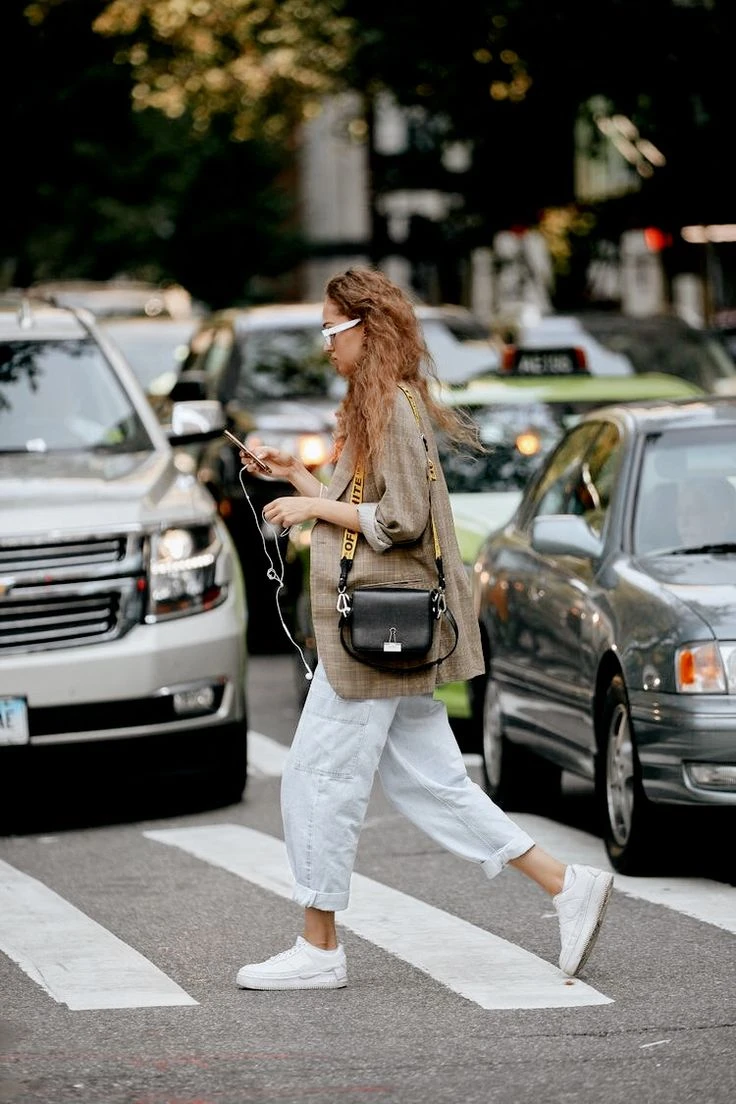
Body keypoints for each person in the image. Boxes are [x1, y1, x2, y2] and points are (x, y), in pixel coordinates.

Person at [236, 267, 613, 991]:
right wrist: (299, 482)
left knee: (315, 780)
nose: (325, 345)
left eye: (331, 329)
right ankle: (566, 885)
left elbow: (397, 522)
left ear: (365, 330)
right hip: (385, 630)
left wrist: (315, 512)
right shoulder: (379, 404)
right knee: (434, 784)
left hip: (376, 636)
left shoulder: (393, 409)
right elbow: (366, 512)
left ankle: (318, 949)